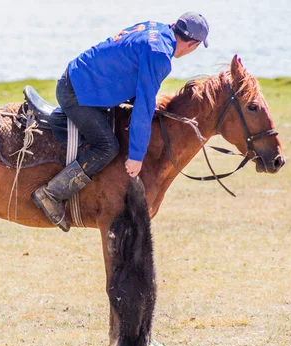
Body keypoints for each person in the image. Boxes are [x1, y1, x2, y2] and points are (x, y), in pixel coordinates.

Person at [32, 12, 210, 232]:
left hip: (79, 79)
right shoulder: (160, 55)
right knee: (107, 146)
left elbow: (127, 68)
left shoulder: (155, 27)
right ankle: (52, 193)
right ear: (192, 44)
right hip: (77, 94)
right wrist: (136, 156)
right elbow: (143, 109)